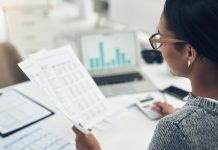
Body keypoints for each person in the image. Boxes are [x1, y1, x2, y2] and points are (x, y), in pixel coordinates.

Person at [73, 0, 218, 149]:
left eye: (161, 38)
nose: (159, 49)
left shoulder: (174, 130)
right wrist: (184, 117)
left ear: (189, 52)